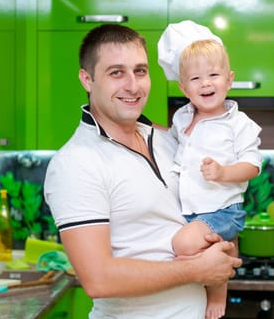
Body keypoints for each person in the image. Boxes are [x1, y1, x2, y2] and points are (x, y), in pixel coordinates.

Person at [44, 23, 242, 319]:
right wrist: (197, 269)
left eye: (140, 71)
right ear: (87, 79)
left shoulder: (172, 141)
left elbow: (218, 204)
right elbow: (98, 279)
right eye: (116, 73)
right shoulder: (75, 163)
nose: (132, 86)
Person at [158, 20, 262, 319]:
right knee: (183, 245)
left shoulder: (238, 123)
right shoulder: (182, 118)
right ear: (183, 87)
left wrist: (223, 173)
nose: (206, 83)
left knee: (183, 243)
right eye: (196, 78)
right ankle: (223, 249)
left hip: (221, 209)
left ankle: (219, 286)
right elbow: (170, 142)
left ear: (229, 79)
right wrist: (143, 125)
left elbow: (252, 166)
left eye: (214, 75)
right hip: (190, 210)